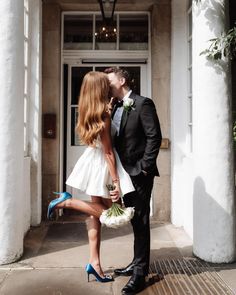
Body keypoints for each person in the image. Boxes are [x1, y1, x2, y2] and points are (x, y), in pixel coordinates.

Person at [47, 71, 135, 283]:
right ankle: (67, 202)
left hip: (93, 163)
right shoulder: (103, 116)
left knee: (95, 215)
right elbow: (108, 152)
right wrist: (116, 183)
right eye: (105, 85)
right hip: (103, 165)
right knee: (110, 214)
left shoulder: (90, 111)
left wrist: (110, 106)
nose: (108, 87)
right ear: (99, 89)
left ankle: (94, 263)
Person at [105, 67, 162, 295]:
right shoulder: (116, 105)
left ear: (122, 80)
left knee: (140, 219)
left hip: (138, 173)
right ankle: (137, 263)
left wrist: (145, 168)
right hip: (122, 172)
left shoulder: (143, 103)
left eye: (110, 80)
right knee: (134, 221)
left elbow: (154, 136)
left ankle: (139, 273)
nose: (107, 85)